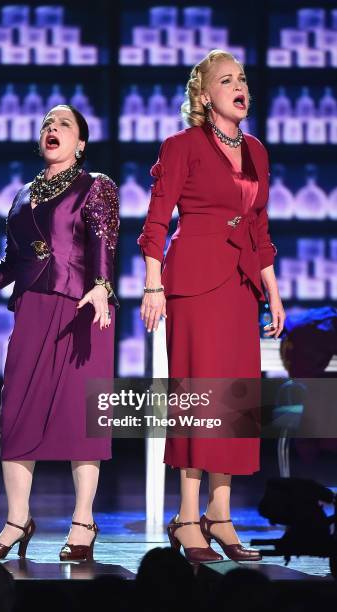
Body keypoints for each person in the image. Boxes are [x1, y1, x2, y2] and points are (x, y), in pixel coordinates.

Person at [0, 104, 120, 562]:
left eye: (64, 125)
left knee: (81, 418)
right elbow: (13, 263)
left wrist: (101, 286)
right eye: (46, 125)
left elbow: (104, 241)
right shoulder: (21, 197)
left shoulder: (96, 187)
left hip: (82, 310)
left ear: (81, 143)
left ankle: (83, 523)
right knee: (16, 414)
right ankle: (17, 521)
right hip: (33, 310)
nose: (52, 129)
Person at [137, 50, 285, 563]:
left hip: (241, 286)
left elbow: (259, 227)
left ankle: (220, 517)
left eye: (243, 78)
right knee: (199, 399)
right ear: (204, 96)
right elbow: (156, 220)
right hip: (194, 284)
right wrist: (153, 284)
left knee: (233, 402)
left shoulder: (257, 151)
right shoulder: (182, 146)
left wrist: (273, 288)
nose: (239, 86)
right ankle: (185, 516)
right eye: (227, 80)